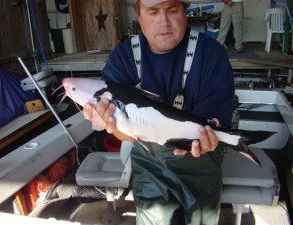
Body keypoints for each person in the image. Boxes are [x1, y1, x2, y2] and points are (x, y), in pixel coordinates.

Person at [83, 0, 235, 224]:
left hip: (200, 165)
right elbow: (125, 133)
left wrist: (209, 140)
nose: (164, 22)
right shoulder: (123, 59)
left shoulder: (211, 54)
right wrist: (111, 125)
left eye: (172, 10)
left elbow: (214, 126)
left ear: (185, 11)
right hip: (149, 164)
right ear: (139, 13)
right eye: (153, 12)